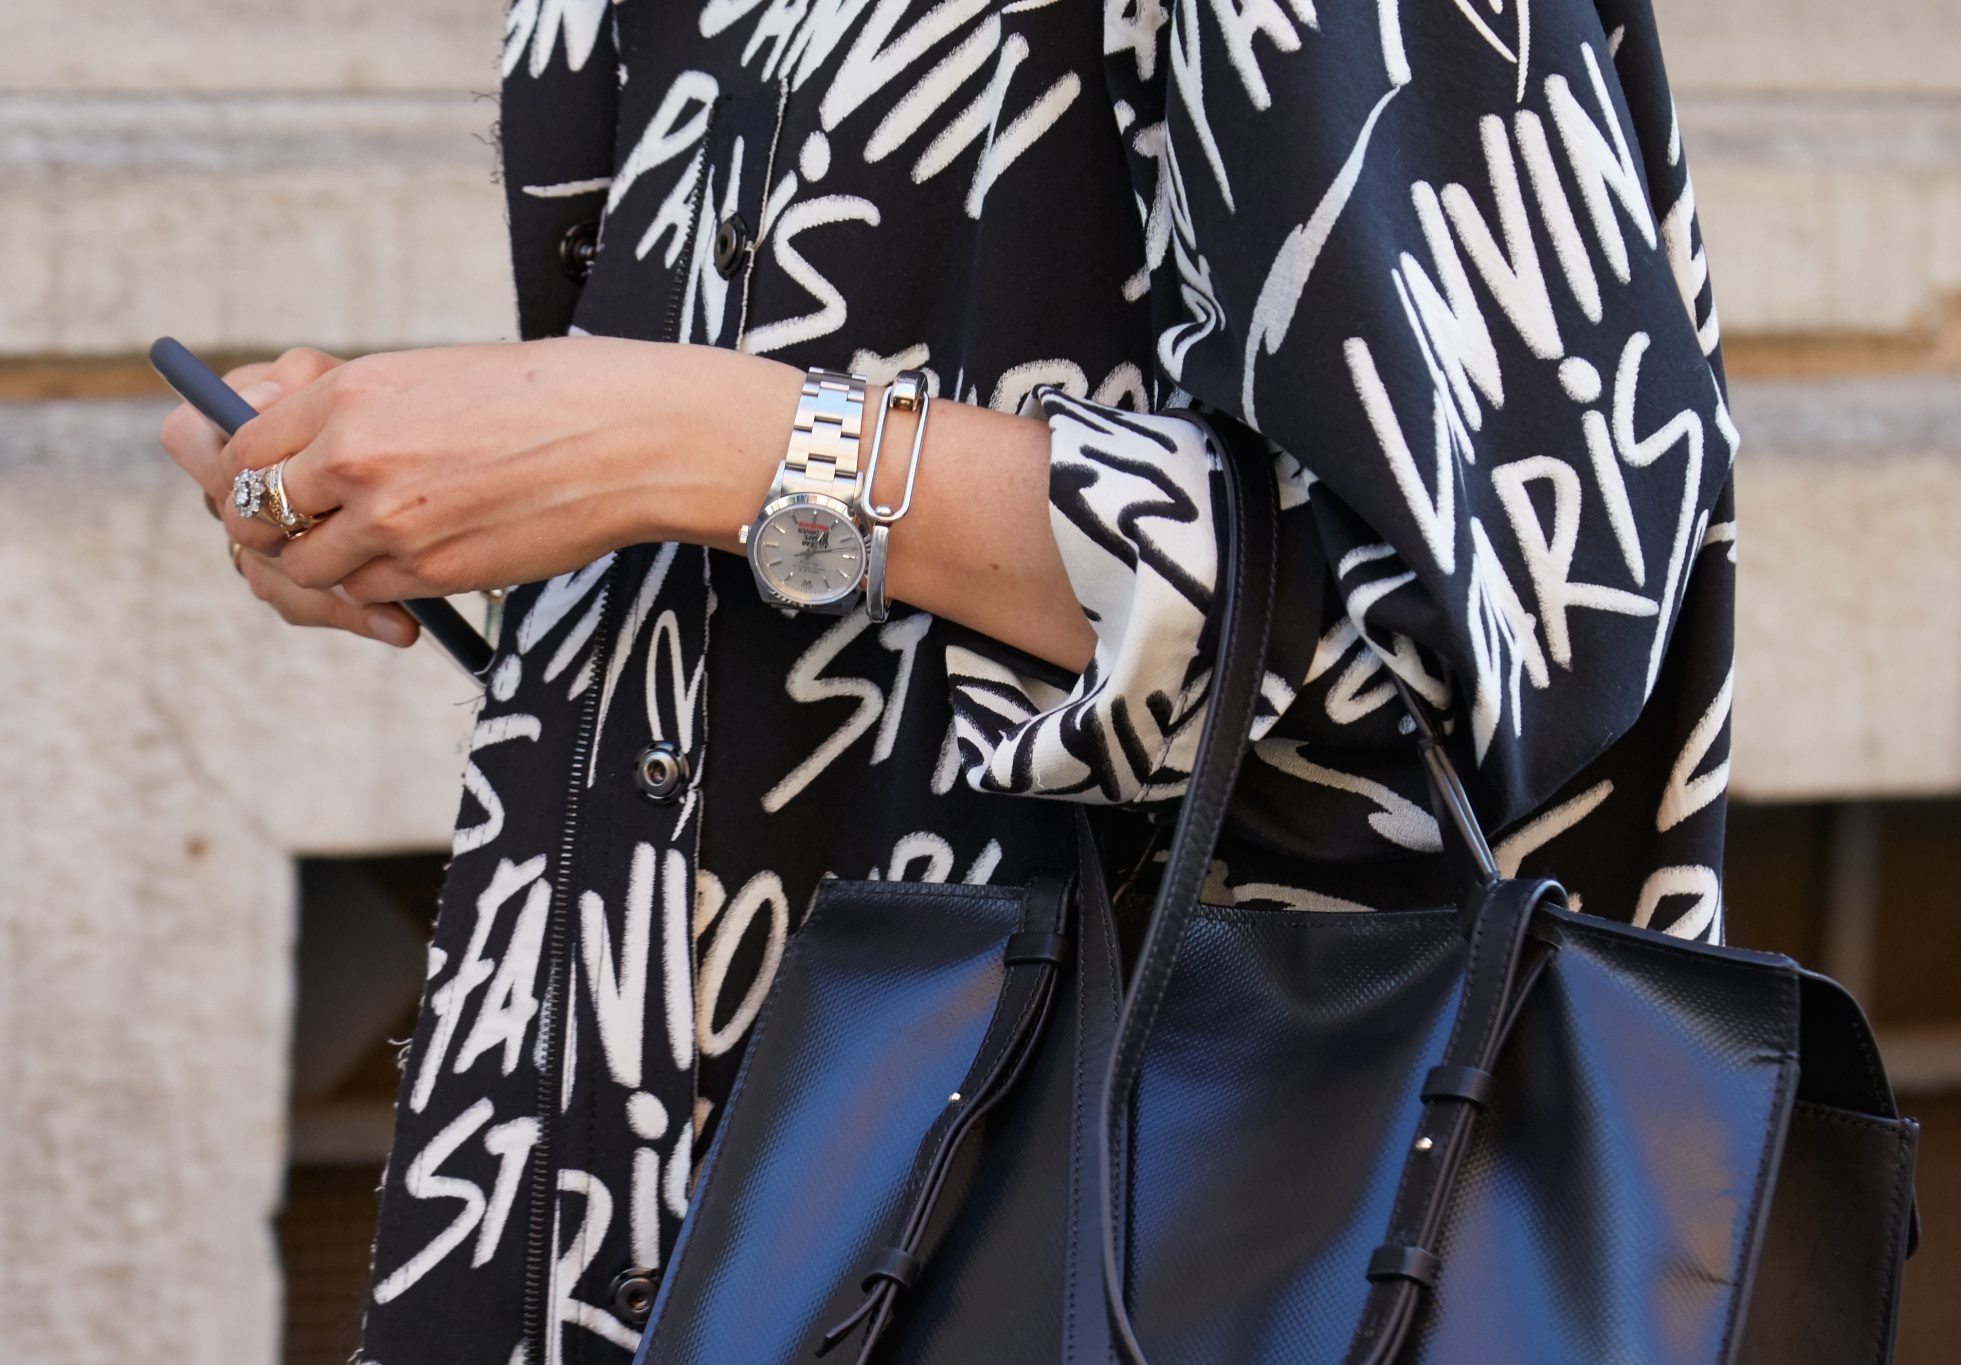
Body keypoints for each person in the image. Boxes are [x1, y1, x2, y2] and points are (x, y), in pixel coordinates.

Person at [157, 2, 1737, 1360]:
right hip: (612, 1145)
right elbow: (756, 491)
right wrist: (432, 478)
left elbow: (1507, 619)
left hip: (1113, 1197)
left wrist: (672, 441)